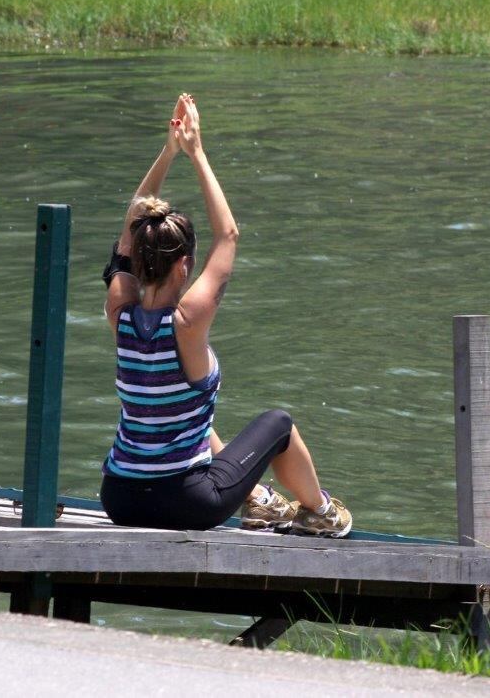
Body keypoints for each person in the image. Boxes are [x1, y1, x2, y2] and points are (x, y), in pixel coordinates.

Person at [98, 93, 352, 537]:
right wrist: (195, 152)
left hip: (119, 498)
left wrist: (167, 152)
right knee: (278, 424)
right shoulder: (187, 322)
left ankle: (260, 501)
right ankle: (322, 512)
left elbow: (130, 228)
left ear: (135, 258)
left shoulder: (119, 314)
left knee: (194, 414)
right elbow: (228, 235)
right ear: (184, 266)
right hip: (188, 502)